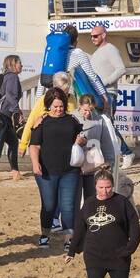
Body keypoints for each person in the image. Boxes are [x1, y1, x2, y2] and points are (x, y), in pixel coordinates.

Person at [64, 169, 140, 278]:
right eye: (101, 187)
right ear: (95, 186)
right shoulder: (89, 204)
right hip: (94, 256)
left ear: (113, 186)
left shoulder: (122, 202)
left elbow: (135, 228)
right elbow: (79, 229)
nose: (104, 191)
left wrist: (128, 249)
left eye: (108, 187)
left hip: (118, 255)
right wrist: (71, 251)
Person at [29, 88, 83, 251]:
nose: (58, 109)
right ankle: (45, 235)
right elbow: (34, 146)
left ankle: (69, 239)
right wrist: (34, 163)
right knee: (49, 205)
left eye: (61, 106)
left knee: (67, 206)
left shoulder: (72, 120)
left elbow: (81, 137)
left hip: (70, 171)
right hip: (46, 171)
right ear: (48, 105)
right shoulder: (41, 121)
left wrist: (82, 140)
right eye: (55, 107)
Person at [87, 23, 134, 166]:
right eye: (91, 36)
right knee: (102, 126)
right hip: (99, 93)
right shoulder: (96, 53)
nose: (93, 39)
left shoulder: (111, 49)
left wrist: (104, 83)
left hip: (108, 93)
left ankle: (127, 153)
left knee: (108, 126)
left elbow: (121, 69)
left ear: (104, 35)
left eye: (95, 36)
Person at [75, 93, 117, 204]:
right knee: (74, 200)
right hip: (75, 166)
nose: (88, 113)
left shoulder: (99, 120)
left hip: (94, 166)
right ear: (79, 105)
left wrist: (109, 162)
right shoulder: (72, 118)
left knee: (92, 199)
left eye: (91, 110)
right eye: (85, 110)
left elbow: (106, 143)